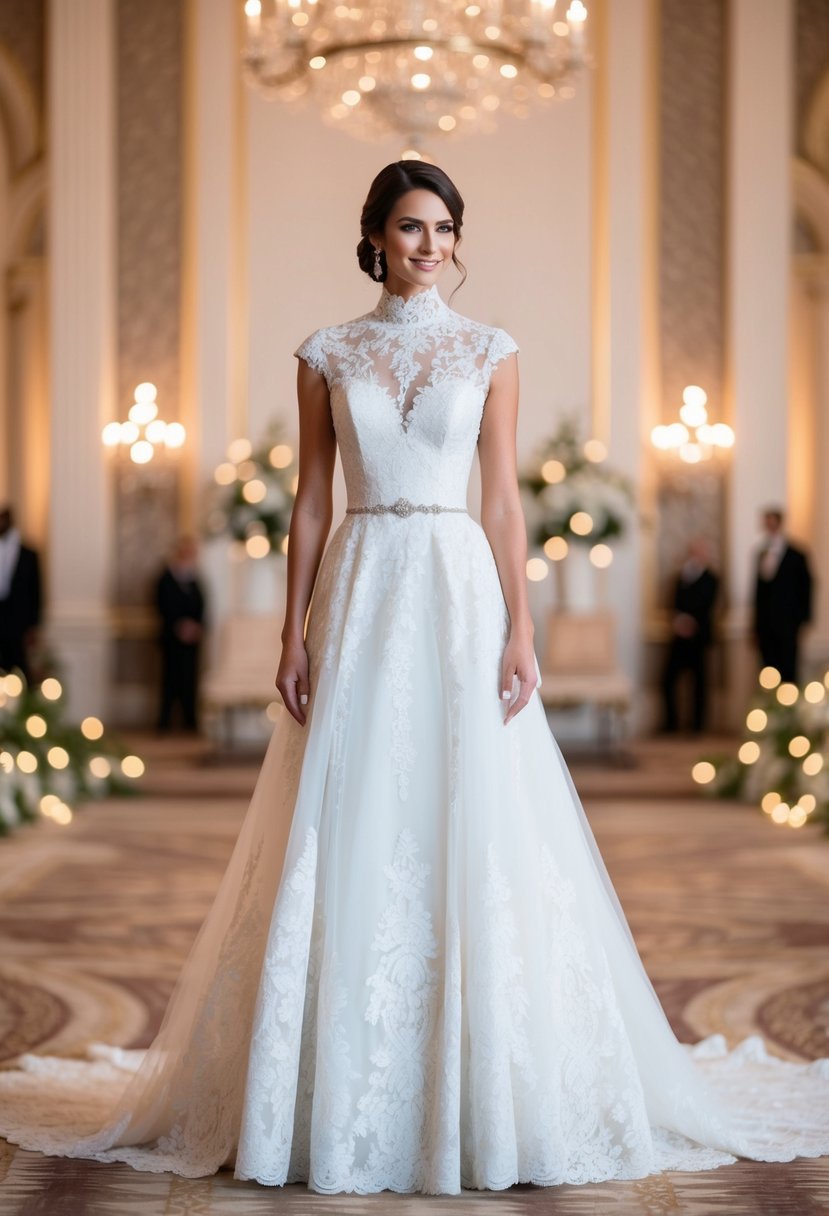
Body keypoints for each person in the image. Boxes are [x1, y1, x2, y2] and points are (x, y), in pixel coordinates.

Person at [0, 162, 827, 1194]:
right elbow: (308, 503)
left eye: (442, 227)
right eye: (409, 226)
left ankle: (481, 1077)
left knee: (469, 807)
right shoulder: (325, 353)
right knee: (350, 815)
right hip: (359, 588)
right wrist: (294, 632)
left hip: (455, 589)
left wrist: (521, 626)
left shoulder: (491, 350)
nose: (428, 243)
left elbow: (504, 503)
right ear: (376, 238)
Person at [661, 538, 719, 733]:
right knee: (668, 680)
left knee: (700, 683)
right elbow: (675, 603)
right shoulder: (681, 577)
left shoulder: (712, 578)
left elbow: (708, 606)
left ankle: (697, 726)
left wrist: (692, 623)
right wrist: (680, 621)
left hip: (699, 637)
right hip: (679, 636)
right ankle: (671, 723)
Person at [753, 507, 813, 683]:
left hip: (788, 622)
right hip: (766, 624)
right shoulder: (760, 553)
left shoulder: (797, 554)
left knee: (789, 667)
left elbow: (806, 587)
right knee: (768, 670)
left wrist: (803, 619)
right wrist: (756, 624)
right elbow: (758, 592)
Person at [155, 536, 206, 732]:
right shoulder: (166, 578)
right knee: (169, 680)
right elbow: (162, 605)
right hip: (171, 639)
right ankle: (164, 722)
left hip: (192, 640)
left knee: (190, 680)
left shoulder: (195, 579)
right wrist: (178, 626)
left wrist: (196, 626)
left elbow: (201, 606)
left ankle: (189, 721)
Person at [0, 504, 42, 682]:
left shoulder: (28, 554)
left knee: (20, 672)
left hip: (18, 623)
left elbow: (36, 591)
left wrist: (33, 625)